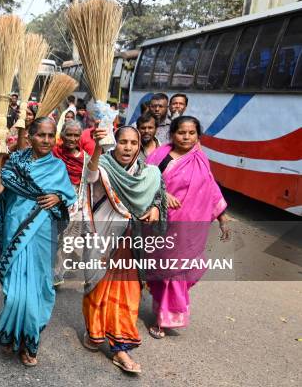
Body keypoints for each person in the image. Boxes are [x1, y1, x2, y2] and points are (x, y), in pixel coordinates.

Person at [0, 117, 76, 366]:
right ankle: (13, 334)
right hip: (14, 229)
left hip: (42, 234)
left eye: (51, 136)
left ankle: (30, 341)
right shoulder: (15, 162)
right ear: (31, 136)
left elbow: (68, 197)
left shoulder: (58, 167)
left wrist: (58, 197)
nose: (47, 140)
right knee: (15, 292)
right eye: (41, 135)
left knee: (40, 288)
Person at [82, 125, 166, 374]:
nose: (128, 147)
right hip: (101, 240)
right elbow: (90, 176)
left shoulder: (149, 173)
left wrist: (156, 209)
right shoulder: (103, 165)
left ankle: (121, 348)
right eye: (123, 142)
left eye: (133, 142)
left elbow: (158, 196)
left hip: (132, 243)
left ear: (139, 145)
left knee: (127, 295)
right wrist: (98, 147)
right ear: (114, 143)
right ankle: (94, 333)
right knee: (97, 290)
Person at [145, 116, 229, 339]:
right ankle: (161, 310)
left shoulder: (200, 159)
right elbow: (143, 182)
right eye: (182, 132)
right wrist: (162, 194)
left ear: (197, 136)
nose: (187, 137)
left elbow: (210, 188)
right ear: (172, 133)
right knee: (161, 271)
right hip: (161, 224)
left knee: (176, 272)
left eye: (192, 133)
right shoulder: (159, 155)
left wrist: (222, 216)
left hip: (188, 228)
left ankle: (164, 319)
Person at [51, 120, 85, 287]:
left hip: (76, 202)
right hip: (54, 201)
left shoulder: (85, 159)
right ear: (62, 136)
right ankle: (51, 272)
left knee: (69, 239)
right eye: (69, 134)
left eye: (76, 135)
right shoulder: (54, 153)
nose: (72, 138)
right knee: (55, 237)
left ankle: (58, 273)